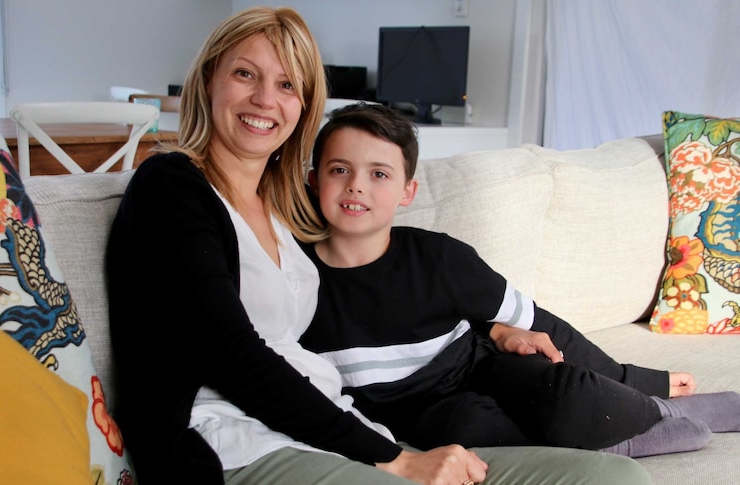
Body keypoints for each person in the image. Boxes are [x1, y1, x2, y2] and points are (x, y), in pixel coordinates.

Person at [106, 6, 655, 485]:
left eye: (287, 85)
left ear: (304, 106)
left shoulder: (285, 208)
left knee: (615, 477)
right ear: (207, 82)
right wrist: (391, 457)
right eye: (245, 74)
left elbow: (380, 284)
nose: (264, 99)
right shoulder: (172, 188)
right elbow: (234, 357)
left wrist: (495, 328)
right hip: (232, 444)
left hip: (339, 433)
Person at [300, 101, 740, 459]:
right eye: (340, 170)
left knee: (560, 383)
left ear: (407, 192)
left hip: (482, 366)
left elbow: (537, 321)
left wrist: (637, 378)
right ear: (314, 179)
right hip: (417, 412)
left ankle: (656, 409)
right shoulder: (294, 278)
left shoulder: (440, 257)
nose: (357, 186)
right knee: (467, 427)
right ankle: (625, 439)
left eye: (379, 174)